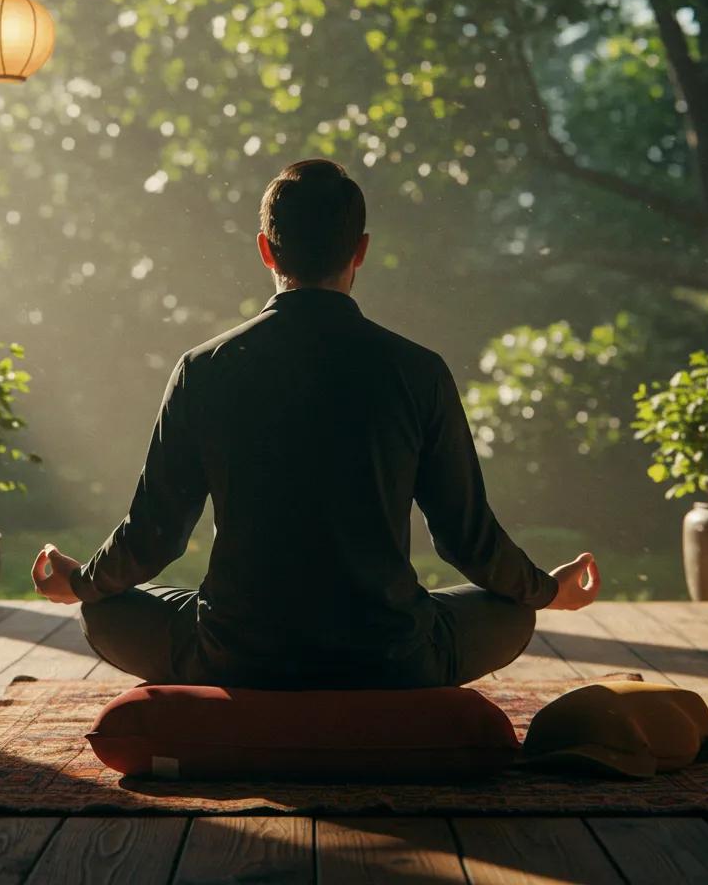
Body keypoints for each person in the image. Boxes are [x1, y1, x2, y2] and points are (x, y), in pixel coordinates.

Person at [32, 158, 599, 689]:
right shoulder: (418, 371)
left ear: (265, 251)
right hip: (390, 655)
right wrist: (548, 591)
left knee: (104, 612)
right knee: (511, 614)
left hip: (238, 654)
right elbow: (465, 538)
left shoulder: (203, 370)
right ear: (361, 250)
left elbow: (155, 533)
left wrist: (82, 582)